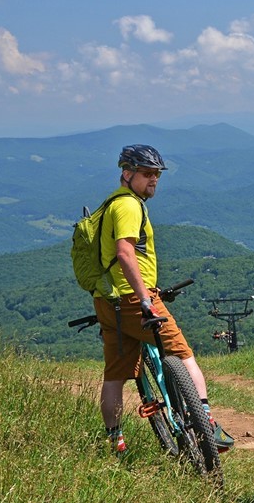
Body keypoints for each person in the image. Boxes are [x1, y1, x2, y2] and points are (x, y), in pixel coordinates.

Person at [95, 144, 234, 455]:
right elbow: (125, 252)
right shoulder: (129, 206)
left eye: (157, 174)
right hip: (134, 297)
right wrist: (145, 298)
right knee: (184, 354)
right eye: (147, 174)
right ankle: (207, 424)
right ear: (127, 174)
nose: (154, 179)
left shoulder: (111, 204)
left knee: (115, 375)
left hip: (109, 301)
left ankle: (114, 443)